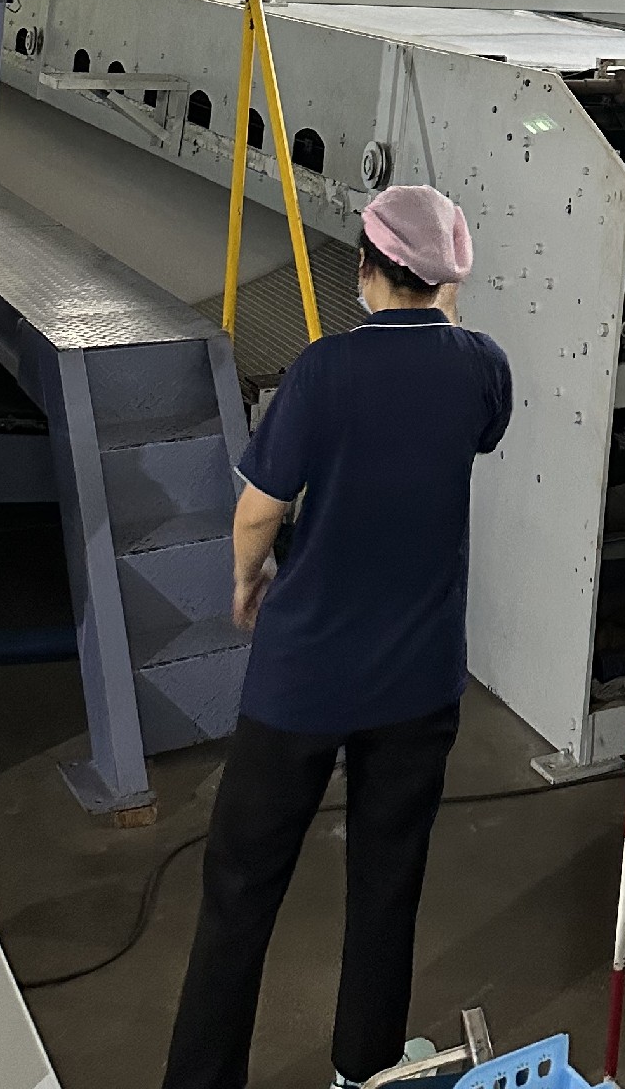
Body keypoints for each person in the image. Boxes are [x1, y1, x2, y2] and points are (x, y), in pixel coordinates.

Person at [161, 185, 512, 1089]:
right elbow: (471, 435)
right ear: (448, 277)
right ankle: (365, 1069)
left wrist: (249, 578)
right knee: (388, 883)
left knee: (240, 889)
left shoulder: (323, 371)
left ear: (364, 268)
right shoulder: (482, 367)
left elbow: (259, 512)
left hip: (305, 680)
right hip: (419, 681)